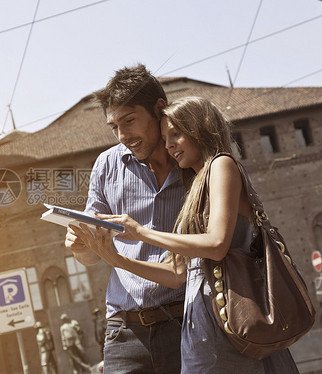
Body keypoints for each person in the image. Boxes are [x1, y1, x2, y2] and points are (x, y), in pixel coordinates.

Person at [71, 96, 299, 373]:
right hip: (202, 324)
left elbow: (216, 244)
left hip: (232, 315)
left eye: (176, 134)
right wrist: (116, 260)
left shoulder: (222, 166)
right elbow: (177, 273)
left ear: (200, 129)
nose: (168, 145)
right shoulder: (194, 187)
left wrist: (142, 233)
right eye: (166, 137)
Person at [65, 64, 186, 373]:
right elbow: (91, 257)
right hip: (125, 332)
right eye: (114, 127)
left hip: (189, 323)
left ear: (159, 109)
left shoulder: (192, 162)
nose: (123, 135)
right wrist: (80, 246)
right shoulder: (106, 166)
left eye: (129, 121)